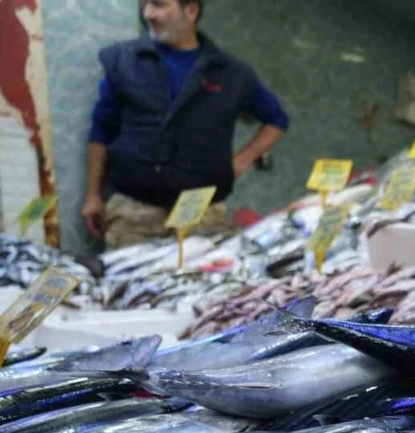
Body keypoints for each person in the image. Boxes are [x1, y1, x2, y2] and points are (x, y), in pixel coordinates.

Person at [81, 0, 289, 249]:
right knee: (127, 286)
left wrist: (240, 161)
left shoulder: (231, 72)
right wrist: (93, 194)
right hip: (133, 215)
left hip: (201, 214)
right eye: (145, 4)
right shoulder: (123, 61)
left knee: (199, 285)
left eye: (158, 5)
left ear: (190, 11)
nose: (148, 14)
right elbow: (101, 130)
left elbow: (276, 120)